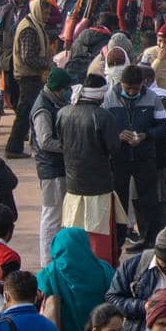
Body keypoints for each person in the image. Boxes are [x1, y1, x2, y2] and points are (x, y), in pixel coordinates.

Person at [105, 63, 166, 249]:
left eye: (136, 88)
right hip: (119, 158)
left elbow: (163, 126)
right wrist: (117, 134)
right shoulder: (110, 98)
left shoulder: (152, 98)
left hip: (144, 157)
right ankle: (116, 242)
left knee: (147, 201)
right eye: (128, 88)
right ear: (121, 84)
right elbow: (103, 127)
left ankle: (147, 240)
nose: (132, 92)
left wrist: (146, 135)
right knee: (119, 201)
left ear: (143, 84)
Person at [57, 74, 121, 263]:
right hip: (99, 187)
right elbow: (114, 149)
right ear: (101, 95)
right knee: (99, 239)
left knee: (73, 235)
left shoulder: (63, 113)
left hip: (73, 186)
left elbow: (60, 142)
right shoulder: (103, 116)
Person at [30, 68, 70, 268]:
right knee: (51, 217)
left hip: (57, 167)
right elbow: (45, 141)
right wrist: (69, 147)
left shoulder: (53, 101)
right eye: (65, 89)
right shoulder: (43, 109)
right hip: (50, 168)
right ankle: (46, 264)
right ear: (58, 89)